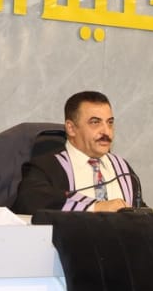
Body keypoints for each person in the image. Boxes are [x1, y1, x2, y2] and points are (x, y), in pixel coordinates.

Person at [12, 91, 142, 213]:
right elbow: (29, 200)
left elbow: (139, 210)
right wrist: (95, 207)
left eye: (110, 123)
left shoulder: (122, 168)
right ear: (71, 128)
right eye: (95, 122)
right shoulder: (47, 166)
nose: (106, 131)